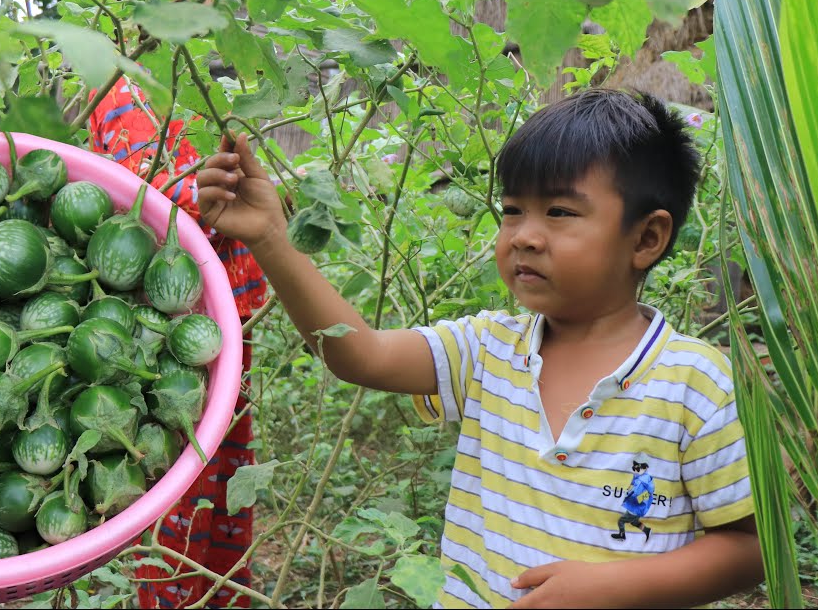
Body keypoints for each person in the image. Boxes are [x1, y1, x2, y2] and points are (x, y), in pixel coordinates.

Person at [194, 88, 764, 608]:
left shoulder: (695, 384)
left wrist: (611, 587)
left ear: (646, 238)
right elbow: (358, 353)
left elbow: (750, 550)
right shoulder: (486, 349)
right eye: (512, 210)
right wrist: (270, 237)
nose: (524, 235)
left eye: (560, 212)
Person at [87, 78, 266, 609]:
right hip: (173, 332)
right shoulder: (125, 87)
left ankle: (213, 593)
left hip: (221, 320)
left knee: (217, 483)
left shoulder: (198, 80)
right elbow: (144, 199)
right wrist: (199, 197)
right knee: (177, 492)